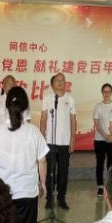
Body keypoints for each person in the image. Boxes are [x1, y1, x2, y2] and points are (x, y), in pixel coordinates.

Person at [0, 86, 49, 223]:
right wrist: (43, 183)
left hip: (2, 192)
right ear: (26, 107)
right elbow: (42, 161)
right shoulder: (33, 132)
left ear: (6, 106)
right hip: (27, 192)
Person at [39, 73, 76, 210]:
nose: (61, 82)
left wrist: (72, 139)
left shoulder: (70, 99)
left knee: (63, 172)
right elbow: (43, 119)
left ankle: (61, 198)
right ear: (52, 84)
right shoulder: (47, 98)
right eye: (58, 80)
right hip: (50, 141)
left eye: (63, 80)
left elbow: (73, 120)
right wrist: (42, 138)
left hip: (65, 142)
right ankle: (49, 199)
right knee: (50, 171)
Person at [92, 83, 112, 197]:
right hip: (99, 139)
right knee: (100, 163)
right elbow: (96, 124)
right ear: (102, 93)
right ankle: (100, 187)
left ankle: (110, 185)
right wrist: (105, 136)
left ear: (111, 93)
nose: (107, 94)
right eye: (105, 91)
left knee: (111, 163)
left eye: (109, 91)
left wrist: (111, 136)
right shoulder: (98, 106)